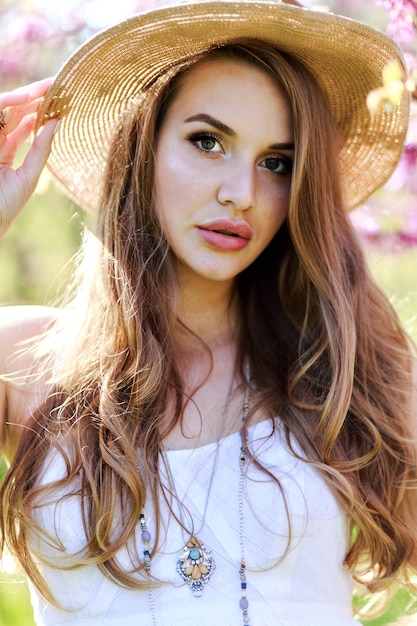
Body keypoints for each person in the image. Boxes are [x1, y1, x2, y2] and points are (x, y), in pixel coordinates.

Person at [0, 1, 416, 624]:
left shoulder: (345, 368)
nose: (242, 194)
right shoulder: (25, 363)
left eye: (276, 162)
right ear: (143, 146)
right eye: (207, 141)